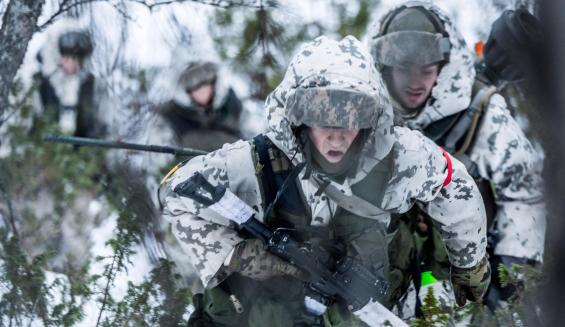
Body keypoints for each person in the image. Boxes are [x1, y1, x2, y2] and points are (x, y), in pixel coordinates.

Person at [160, 36, 489, 326]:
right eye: (321, 113)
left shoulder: (399, 155)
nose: (337, 135)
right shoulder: (258, 162)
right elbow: (176, 193)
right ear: (298, 115)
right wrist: (243, 255)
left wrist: (470, 264)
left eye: (353, 113)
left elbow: (452, 183)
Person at [368, 1, 546, 310]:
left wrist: (510, 274)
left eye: (426, 70)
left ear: (442, 65)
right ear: (385, 66)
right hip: (384, 266)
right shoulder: (362, 109)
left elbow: (525, 193)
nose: (415, 83)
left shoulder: (479, 111)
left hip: (467, 267)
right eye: (405, 69)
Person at [157, 61, 243, 152]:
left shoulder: (231, 103)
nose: (201, 91)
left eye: (205, 84)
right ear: (187, 92)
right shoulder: (171, 113)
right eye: (195, 88)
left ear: (214, 83)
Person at [34, 19, 100, 137]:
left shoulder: (89, 84)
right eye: (70, 57)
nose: (74, 64)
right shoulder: (39, 82)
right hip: (40, 150)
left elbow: (99, 125)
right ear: (57, 55)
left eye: (79, 59)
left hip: (81, 152)